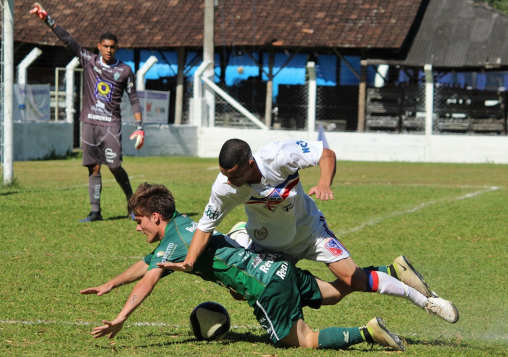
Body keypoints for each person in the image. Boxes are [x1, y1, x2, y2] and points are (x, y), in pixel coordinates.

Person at [80, 183, 412, 350]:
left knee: (303, 340)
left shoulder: (177, 239)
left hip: (264, 287)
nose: (138, 228)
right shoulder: (184, 227)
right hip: (276, 268)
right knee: (335, 293)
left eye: (139, 222)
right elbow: (146, 264)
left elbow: (148, 280)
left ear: (156, 217)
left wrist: (121, 317)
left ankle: (368, 332)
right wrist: (111, 284)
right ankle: (388, 271)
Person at [163, 139, 459, 322]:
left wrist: (325, 182)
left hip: (310, 232)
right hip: (268, 244)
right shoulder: (225, 188)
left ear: (250, 163)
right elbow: (205, 226)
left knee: (351, 279)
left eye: (234, 174)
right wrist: (189, 261)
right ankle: (242, 233)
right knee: (244, 294)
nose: (228, 181)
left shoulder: (279, 155)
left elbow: (325, 154)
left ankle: (426, 301)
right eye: (225, 175)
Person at [31, 3, 146, 222]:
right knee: (93, 168)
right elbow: (68, 40)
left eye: (112, 46)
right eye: (105, 46)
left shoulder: (125, 70)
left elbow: (134, 99)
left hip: (110, 125)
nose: (109, 50)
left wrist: (140, 127)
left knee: (114, 166)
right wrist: (47, 19)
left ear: (117, 48)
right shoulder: (89, 61)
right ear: (99, 46)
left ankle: (132, 204)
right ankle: (95, 212)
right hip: (89, 123)